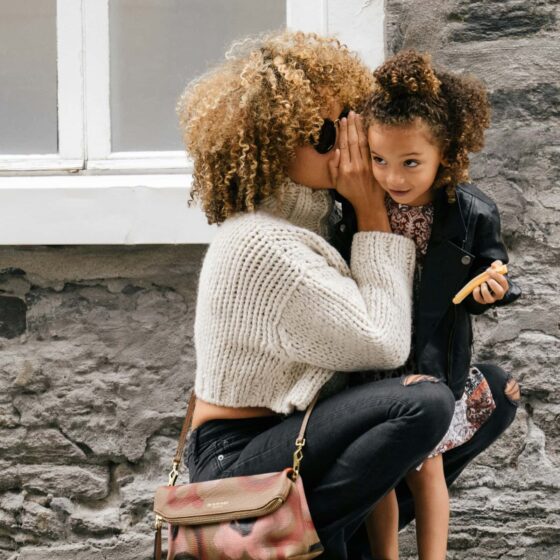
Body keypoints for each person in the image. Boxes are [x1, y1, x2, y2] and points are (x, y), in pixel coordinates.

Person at [177, 32, 456, 559]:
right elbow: (382, 342)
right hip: (235, 456)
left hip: (294, 435)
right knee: (424, 403)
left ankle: (330, 543)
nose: (348, 141)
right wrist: (375, 213)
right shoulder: (262, 244)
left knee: (487, 391)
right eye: (325, 133)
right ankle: (286, 540)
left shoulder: (317, 222)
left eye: (351, 119)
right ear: (273, 143)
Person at [334, 50, 522, 559]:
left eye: (411, 162)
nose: (394, 176)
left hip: (435, 357)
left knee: (427, 465)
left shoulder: (470, 212)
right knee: (383, 466)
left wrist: (493, 290)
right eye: (380, 159)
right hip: (375, 354)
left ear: (447, 154)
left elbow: (493, 270)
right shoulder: (357, 206)